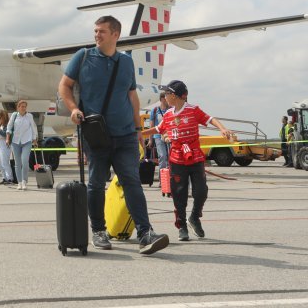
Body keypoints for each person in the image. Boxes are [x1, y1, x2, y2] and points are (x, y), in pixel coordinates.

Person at [58, 15, 169, 255]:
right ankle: (98, 230)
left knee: (132, 181)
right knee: (96, 183)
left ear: (115, 35)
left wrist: (138, 128)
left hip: (126, 134)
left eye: (102, 31)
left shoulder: (126, 62)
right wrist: (74, 109)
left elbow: (132, 96)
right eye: (95, 31)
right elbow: (64, 85)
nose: (97, 34)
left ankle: (145, 233)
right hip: (96, 134)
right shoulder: (84, 56)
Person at [143, 80, 233, 241]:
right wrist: (138, 133)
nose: (165, 97)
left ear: (175, 96)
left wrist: (223, 129)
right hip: (177, 160)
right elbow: (158, 129)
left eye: (167, 94)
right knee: (179, 194)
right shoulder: (168, 115)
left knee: (201, 191)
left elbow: (210, 119)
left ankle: (194, 217)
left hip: (195, 158)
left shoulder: (193, 110)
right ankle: (182, 225)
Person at [6, 100, 38, 191]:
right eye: (22, 106)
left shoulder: (29, 116)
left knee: (24, 161)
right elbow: (9, 127)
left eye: (25, 106)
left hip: (27, 141)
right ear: (18, 107)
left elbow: (33, 127)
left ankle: (24, 181)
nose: (24, 108)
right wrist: (8, 138)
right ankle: (19, 182)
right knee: (17, 163)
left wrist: (34, 139)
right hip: (15, 142)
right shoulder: (14, 115)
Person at [150, 93, 171, 171]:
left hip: (169, 136)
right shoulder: (155, 110)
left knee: (170, 156)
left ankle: (170, 177)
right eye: (166, 98)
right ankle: (162, 179)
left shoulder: (171, 109)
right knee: (162, 155)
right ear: (162, 99)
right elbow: (152, 126)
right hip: (158, 136)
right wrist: (150, 139)